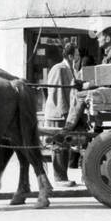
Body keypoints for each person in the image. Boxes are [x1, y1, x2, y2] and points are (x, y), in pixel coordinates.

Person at [43, 44, 79, 186]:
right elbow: (58, 93)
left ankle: (63, 176)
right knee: (59, 146)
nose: (78, 58)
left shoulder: (70, 69)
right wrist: (66, 113)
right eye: (76, 55)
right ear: (70, 56)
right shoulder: (59, 69)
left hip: (64, 113)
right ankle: (59, 178)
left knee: (65, 146)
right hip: (57, 114)